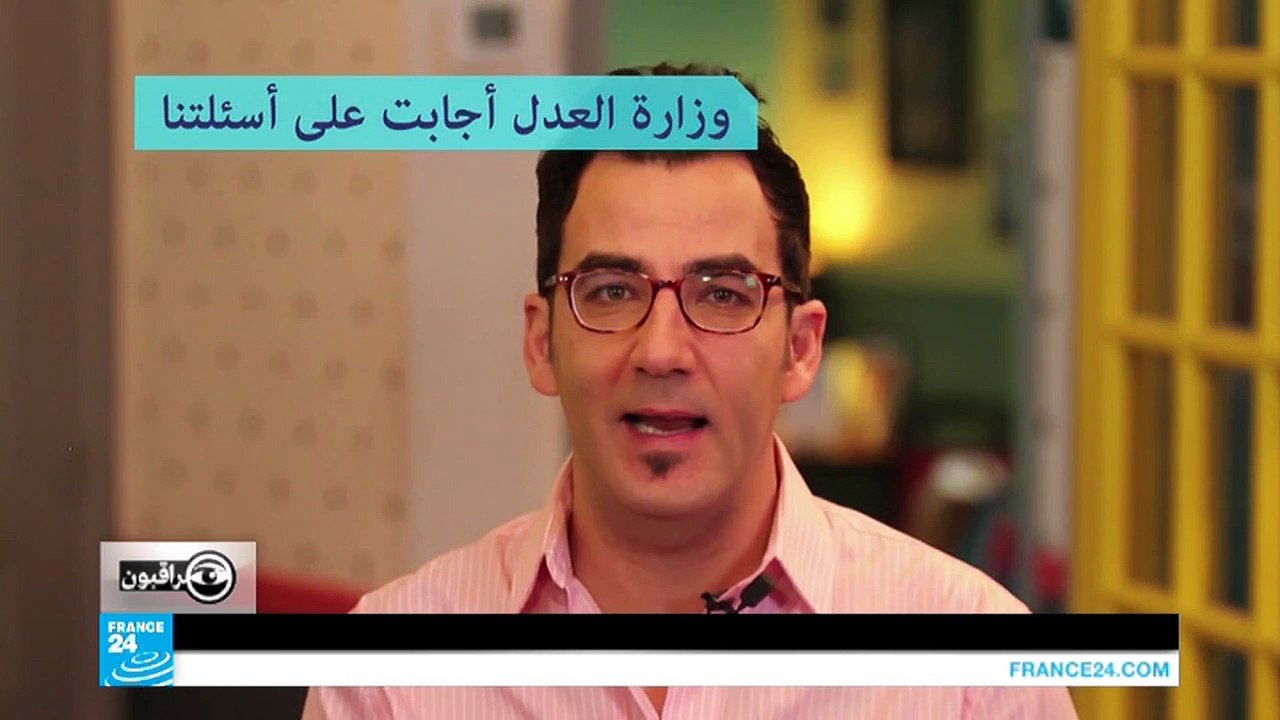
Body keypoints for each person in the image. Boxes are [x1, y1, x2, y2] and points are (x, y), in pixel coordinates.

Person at [302, 63, 1078, 719]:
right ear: (542, 344)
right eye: (611, 292)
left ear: (800, 350)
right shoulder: (387, 682)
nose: (662, 351)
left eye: (723, 294)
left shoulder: (975, 678)